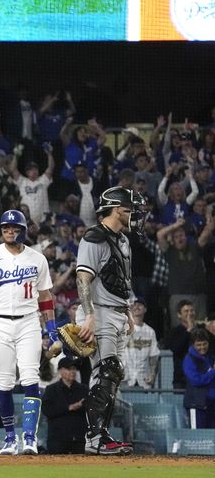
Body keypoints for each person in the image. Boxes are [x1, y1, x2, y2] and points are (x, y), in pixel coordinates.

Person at [0, 209, 54, 455]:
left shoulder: (37, 259)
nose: (10, 232)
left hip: (28, 323)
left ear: (23, 231)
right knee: (4, 382)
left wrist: (51, 327)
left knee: (30, 378)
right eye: (6, 228)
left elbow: (45, 297)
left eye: (14, 228)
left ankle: (29, 437)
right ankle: (10, 438)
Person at [75, 186, 145, 455]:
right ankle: (95, 438)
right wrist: (89, 316)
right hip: (99, 312)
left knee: (112, 374)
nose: (135, 215)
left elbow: (120, 280)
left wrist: (127, 310)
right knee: (107, 369)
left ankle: (100, 435)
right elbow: (83, 278)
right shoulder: (94, 238)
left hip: (116, 311)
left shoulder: (123, 240)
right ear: (117, 209)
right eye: (131, 209)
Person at [41, 357, 88, 454]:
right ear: (60, 371)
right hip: (57, 439)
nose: (73, 371)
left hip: (79, 438)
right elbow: (47, 410)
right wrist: (69, 408)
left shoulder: (83, 389)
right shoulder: (51, 390)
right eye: (69, 369)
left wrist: (81, 406)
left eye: (74, 369)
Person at [182, 328, 215, 429]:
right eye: (198, 345)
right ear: (193, 345)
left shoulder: (210, 357)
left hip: (211, 405)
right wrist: (213, 371)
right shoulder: (189, 360)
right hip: (196, 405)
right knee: (197, 437)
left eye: (204, 344)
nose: (202, 347)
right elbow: (196, 380)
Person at [123, 299, 159, 389]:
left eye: (140, 304)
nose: (136, 306)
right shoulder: (123, 328)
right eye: (134, 305)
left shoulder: (150, 331)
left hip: (143, 379)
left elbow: (154, 356)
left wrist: (153, 374)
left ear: (145, 309)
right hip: (125, 378)